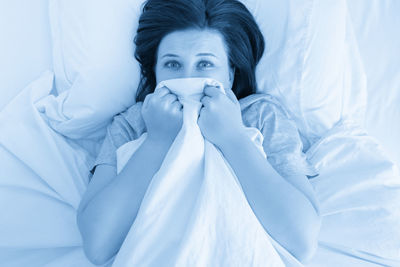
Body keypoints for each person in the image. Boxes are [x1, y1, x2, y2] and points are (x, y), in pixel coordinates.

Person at [77, 0, 321, 265]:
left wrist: (233, 138)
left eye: (205, 64)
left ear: (230, 73)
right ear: (156, 72)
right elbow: (98, 245)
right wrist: (157, 143)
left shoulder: (261, 114)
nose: (188, 77)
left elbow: (302, 240)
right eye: (172, 65)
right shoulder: (133, 122)